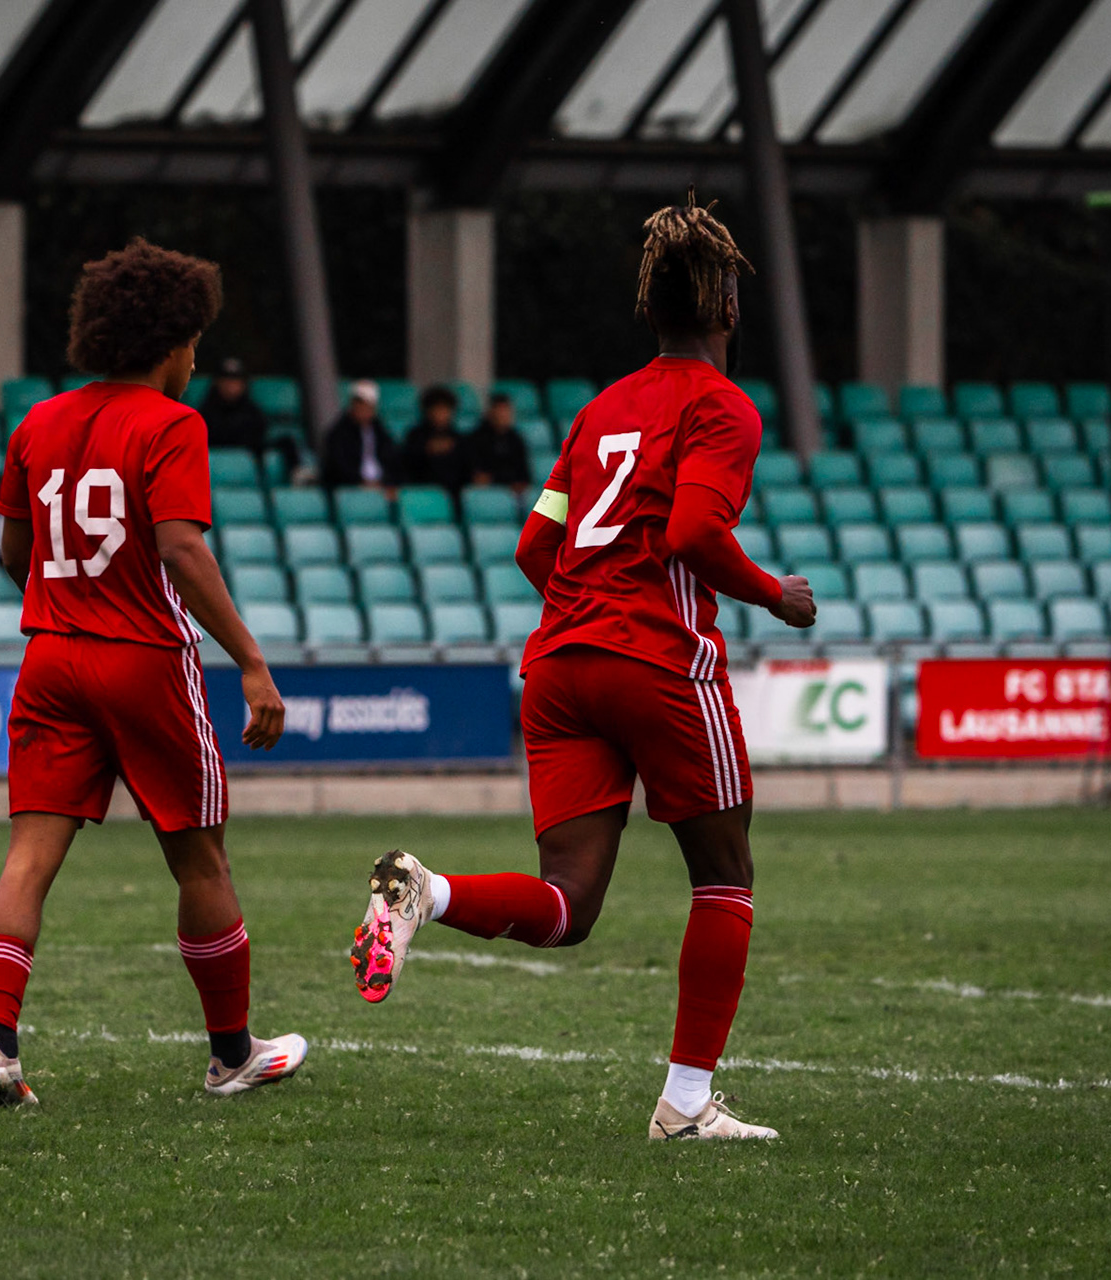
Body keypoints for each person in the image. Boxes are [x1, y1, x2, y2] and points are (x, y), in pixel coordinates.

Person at [347, 193, 816, 1141]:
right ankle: (685, 1106)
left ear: (651, 306)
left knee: (570, 903)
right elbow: (692, 530)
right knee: (724, 878)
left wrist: (583, 610)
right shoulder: (722, 406)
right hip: (655, 663)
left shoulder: (602, 409)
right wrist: (774, 594)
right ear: (729, 305)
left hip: (562, 664)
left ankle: (425, 895)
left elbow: (534, 544)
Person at [0, 237, 304, 1107]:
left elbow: (18, 550)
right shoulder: (171, 423)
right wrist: (254, 663)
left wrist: (65, 607)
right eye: (193, 341)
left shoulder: (36, 424)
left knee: (27, 861)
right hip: (145, 661)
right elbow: (181, 546)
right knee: (201, 865)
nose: (195, 358)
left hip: (50, 658)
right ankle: (231, 1055)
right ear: (169, 341)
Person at [200, 357, 300, 475]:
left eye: (236, 381)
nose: (231, 386)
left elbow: (259, 433)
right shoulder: (206, 410)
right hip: (217, 454)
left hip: (248, 450)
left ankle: (297, 473)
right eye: (227, 381)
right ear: (217, 383)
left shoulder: (251, 409)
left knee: (287, 442)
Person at [319, 380, 402, 489]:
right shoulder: (338, 433)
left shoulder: (379, 430)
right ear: (353, 404)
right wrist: (362, 482)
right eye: (361, 404)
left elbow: (392, 460)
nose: (365, 410)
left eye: (369, 406)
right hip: (352, 488)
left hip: (381, 485)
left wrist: (387, 482)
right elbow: (339, 467)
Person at [400, 384, 466, 491]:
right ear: (428, 411)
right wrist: (428, 449)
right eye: (437, 409)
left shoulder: (457, 437)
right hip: (422, 489)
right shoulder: (415, 435)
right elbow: (408, 465)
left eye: (445, 410)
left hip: (453, 491)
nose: (441, 414)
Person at [464, 391, 532, 491]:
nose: (503, 415)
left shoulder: (516, 439)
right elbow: (480, 476)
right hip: (486, 492)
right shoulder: (476, 438)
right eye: (499, 411)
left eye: (506, 411)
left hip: (511, 490)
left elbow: (523, 475)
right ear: (491, 412)